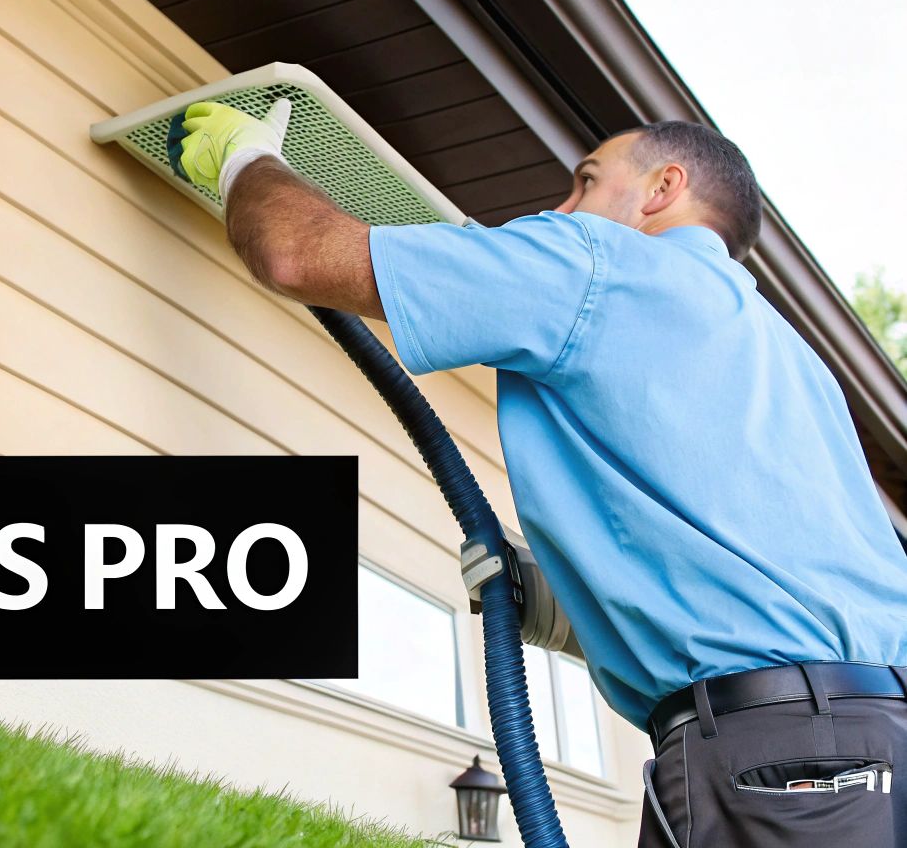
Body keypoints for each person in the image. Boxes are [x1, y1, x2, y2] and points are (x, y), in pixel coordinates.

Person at [178, 102, 907, 845]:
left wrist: (246, 158)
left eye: (586, 181)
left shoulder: (599, 261)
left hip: (782, 762)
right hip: (876, 750)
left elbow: (296, 255)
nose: (562, 208)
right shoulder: (791, 363)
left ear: (663, 188)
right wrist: (560, 604)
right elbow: (759, 580)